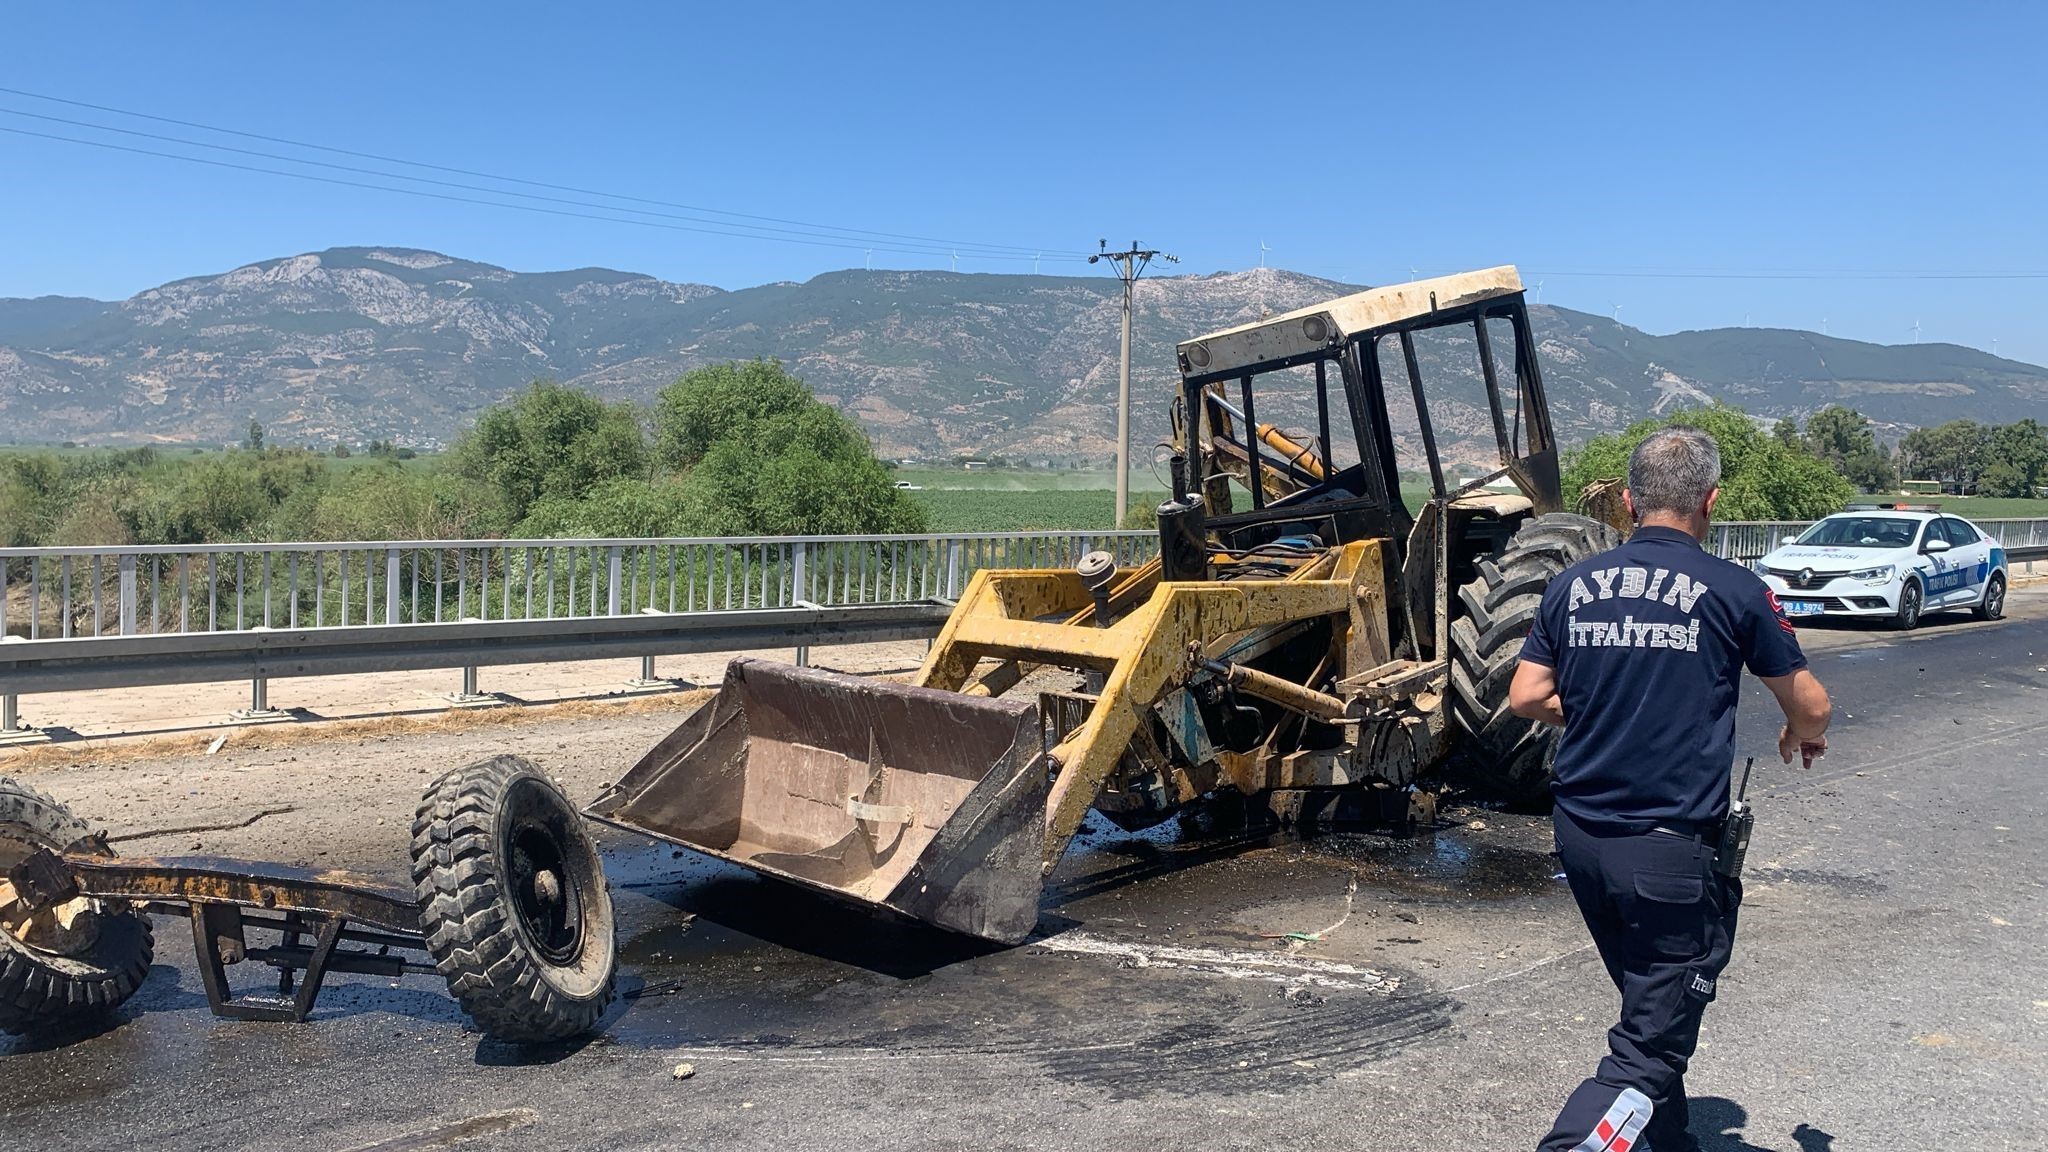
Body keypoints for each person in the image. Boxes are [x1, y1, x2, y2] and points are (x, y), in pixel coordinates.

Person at [1509, 426, 1833, 1152]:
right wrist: (1798, 733)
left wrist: (1599, 704)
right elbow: (1811, 707)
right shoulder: (1736, 591)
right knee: (1648, 1046)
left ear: (1628, 501)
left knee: (1651, 1003)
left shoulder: (1574, 584)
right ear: (1710, 502)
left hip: (1582, 837)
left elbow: (1527, 693)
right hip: (1668, 849)